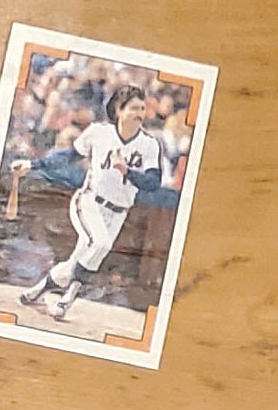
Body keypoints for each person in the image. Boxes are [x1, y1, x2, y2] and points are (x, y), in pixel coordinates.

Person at [23, 81, 169, 325]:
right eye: (134, 108)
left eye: (142, 108)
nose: (140, 114)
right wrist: (33, 164)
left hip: (119, 211)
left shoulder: (149, 144)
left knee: (79, 259)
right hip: (90, 201)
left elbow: (153, 182)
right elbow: (69, 155)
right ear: (119, 110)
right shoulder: (99, 132)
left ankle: (39, 289)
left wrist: (127, 172)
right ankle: (66, 300)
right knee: (100, 244)